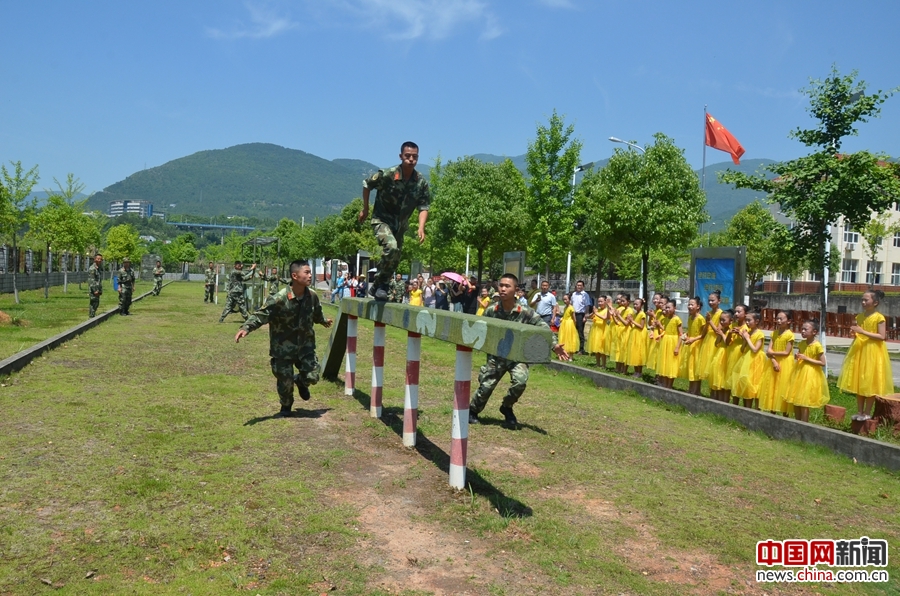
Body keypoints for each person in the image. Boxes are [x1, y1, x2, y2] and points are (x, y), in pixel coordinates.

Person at [469, 273, 570, 429]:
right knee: (486, 386)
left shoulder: (525, 311)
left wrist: (554, 345)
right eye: (501, 285)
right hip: (497, 356)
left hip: (517, 356)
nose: (503, 289)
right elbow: (481, 328)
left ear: (516, 290)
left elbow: (543, 328)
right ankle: (473, 411)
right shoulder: (492, 310)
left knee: (520, 382)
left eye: (507, 286)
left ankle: (506, 407)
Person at [235, 260, 333, 418]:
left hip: (305, 346)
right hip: (283, 348)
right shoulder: (279, 298)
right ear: (295, 276)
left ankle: (300, 381)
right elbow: (261, 315)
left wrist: (323, 321)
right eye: (306, 272)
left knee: (312, 376)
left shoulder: (312, 296)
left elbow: (317, 313)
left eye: (310, 272)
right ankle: (286, 406)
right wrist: (246, 328)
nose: (310, 275)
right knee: (285, 382)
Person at [358, 141, 430, 301]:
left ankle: (379, 286)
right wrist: (366, 208)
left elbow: (424, 206)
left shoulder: (420, 182)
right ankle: (381, 283)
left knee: (395, 257)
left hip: (400, 226)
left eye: (415, 157)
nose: (411, 159)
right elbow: (367, 184)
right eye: (407, 156)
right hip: (382, 219)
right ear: (401, 156)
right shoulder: (387, 174)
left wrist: (421, 227)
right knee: (391, 247)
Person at [838, 290, 894, 421]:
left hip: (873, 351)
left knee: (870, 381)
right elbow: (859, 333)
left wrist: (862, 331)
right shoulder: (859, 317)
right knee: (859, 380)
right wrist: (855, 334)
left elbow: (882, 336)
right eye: (862, 300)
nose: (863, 302)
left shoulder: (879, 317)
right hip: (860, 350)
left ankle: (867, 412)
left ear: (875, 303)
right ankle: (859, 411)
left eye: (866, 300)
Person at [784, 320, 829, 423]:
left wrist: (806, 358)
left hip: (810, 375)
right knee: (796, 400)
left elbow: (822, 363)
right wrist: (798, 356)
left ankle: (804, 424)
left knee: (804, 402)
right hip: (799, 373)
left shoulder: (817, 345)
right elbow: (801, 356)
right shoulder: (801, 343)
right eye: (802, 329)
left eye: (805, 329)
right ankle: (797, 422)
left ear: (814, 332)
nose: (803, 331)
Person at [757, 311, 795, 416]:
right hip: (773, 361)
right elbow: (769, 349)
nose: (778, 321)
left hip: (785, 363)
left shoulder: (790, 335)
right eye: (777, 318)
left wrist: (772, 353)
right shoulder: (774, 333)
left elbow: (786, 352)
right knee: (772, 386)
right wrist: (773, 361)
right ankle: (772, 413)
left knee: (783, 387)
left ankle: (785, 415)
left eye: (781, 319)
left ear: (789, 321)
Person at [732, 311, 766, 408]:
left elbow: (755, 349)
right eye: (746, 320)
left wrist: (747, 338)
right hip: (746, 360)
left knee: (754, 384)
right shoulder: (748, 333)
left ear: (756, 321)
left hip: (756, 361)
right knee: (745, 383)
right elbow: (743, 349)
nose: (747, 322)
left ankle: (756, 410)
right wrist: (744, 339)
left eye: (749, 320)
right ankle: (746, 408)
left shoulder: (760, 334)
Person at [678, 296, 707, 396]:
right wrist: (686, 336)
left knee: (696, 368)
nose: (689, 306)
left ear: (698, 306)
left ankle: (696, 390)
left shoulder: (701, 319)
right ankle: (691, 389)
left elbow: (703, 334)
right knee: (691, 367)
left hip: (697, 346)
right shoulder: (690, 318)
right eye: (689, 304)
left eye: (692, 304)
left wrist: (693, 339)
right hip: (690, 344)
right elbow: (690, 331)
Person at [656, 298, 682, 389]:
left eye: (669, 307)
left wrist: (677, 347)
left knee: (671, 363)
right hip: (665, 343)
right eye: (666, 307)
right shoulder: (666, 319)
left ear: (674, 308)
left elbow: (681, 334)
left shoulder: (677, 319)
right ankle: (664, 384)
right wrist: (660, 335)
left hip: (673, 342)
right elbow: (665, 330)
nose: (667, 309)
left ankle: (669, 385)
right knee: (665, 362)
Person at [626, 297, 647, 378]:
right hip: (634, 333)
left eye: (637, 304)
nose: (635, 306)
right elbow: (634, 325)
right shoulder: (634, 314)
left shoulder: (642, 314)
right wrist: (630, 321)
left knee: (639, 352)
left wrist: (632, 321)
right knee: (634, 352)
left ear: (641, 305)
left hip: (640, 334)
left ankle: (639, 371)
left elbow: (641, 326)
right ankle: (636, 371)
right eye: (634, 304)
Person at [570, 280, 593, 355]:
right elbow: (571, 304)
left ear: (583, 286)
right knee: (573, 331)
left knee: (580, 331)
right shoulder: (574, 294)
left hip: (581, 314)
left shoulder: (585, 295)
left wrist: (585, 316)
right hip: (573, 314)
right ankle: (574, 347)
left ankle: (581, 349)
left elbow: (587, 305)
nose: (579, 287)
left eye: (580, 285)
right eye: (577, 285)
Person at [588, 295, 609, 368]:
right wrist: (593, 312)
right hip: (596, 330)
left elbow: (605, 318)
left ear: (605, 302)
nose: (599, 303)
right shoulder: (598, 310)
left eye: (601, 301)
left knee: (602, 348)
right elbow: (589, 317)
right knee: (596, 347)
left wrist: (596, 313)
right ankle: (597, 363)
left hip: (602, 329)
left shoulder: (607, 310)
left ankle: (604, 364)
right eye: (598, 301)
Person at [88, 253, 103, 318]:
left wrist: (99, 289)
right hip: (93, 289)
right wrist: (95, 290)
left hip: (98, 288)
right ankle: (91, 316)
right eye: (98, 259)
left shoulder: (98, 268)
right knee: (93, 302)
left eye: (100, 259)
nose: (99, 260)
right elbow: (92, 280)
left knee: (96, 303)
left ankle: (92, 315)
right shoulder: (92, 268)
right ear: (95, 259)